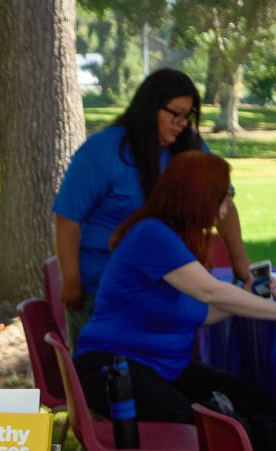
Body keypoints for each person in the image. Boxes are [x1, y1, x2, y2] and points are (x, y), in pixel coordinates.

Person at [74, 152, 276, 451]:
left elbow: (201, 312)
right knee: (197, 426)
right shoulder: (153, 235)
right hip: (111, 371)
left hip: (157, 367)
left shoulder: (167, 234)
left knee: (254, 401)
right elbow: (209, 292)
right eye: (226, 195)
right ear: (200, 197)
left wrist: (248, 298)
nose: (227, 207)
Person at [54, 69, 254, 341]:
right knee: (114, 367)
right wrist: (71, 281)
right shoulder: (103, 149)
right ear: (150, 108)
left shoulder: (190, 149)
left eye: (188, 116)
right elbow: (67, 218)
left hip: (171, 289)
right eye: (176, 114)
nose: (182, 123)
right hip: (104, 290)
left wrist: (241, 264)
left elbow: (222, 203)